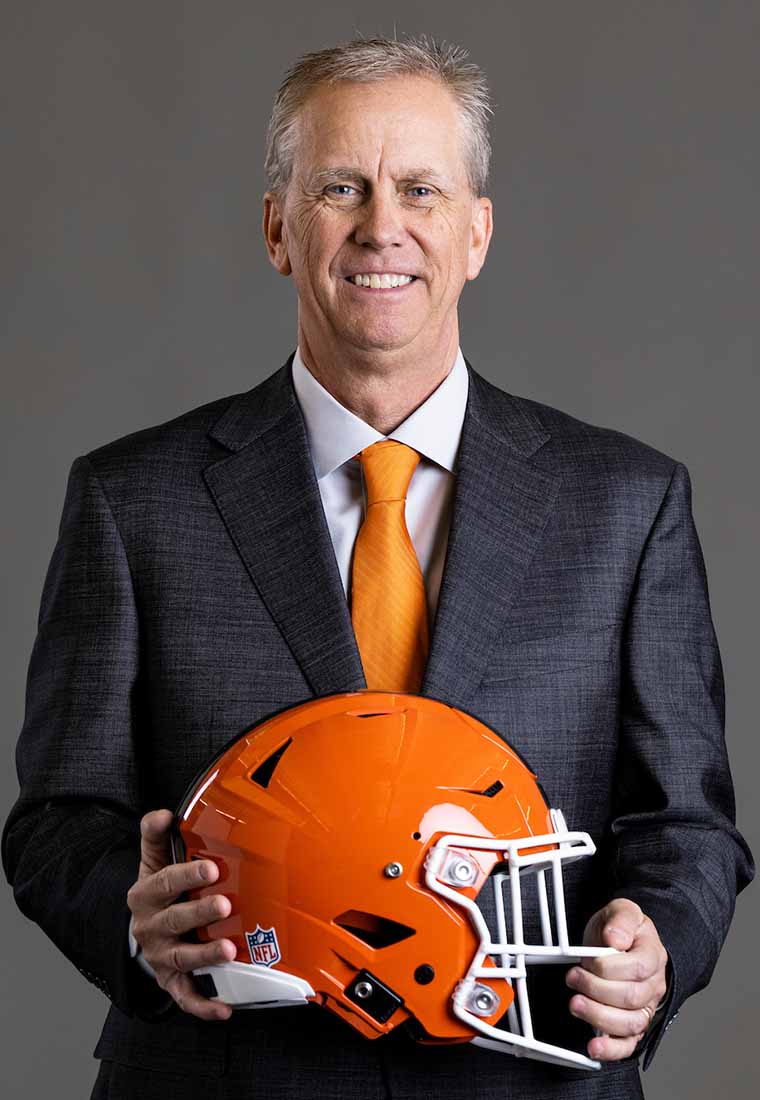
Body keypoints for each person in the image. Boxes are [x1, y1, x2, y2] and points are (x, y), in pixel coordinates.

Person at [2, 33, 753, 1100]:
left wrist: (656, 945)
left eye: (420, 189)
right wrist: (134, 923)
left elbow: (686, 823)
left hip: (528, 1080)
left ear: (477, 230)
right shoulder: (136, 499)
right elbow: (56, 817)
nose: (381, 226)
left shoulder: (625, 503)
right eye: (339, 186)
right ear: (276, 228)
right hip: (221, 1077)